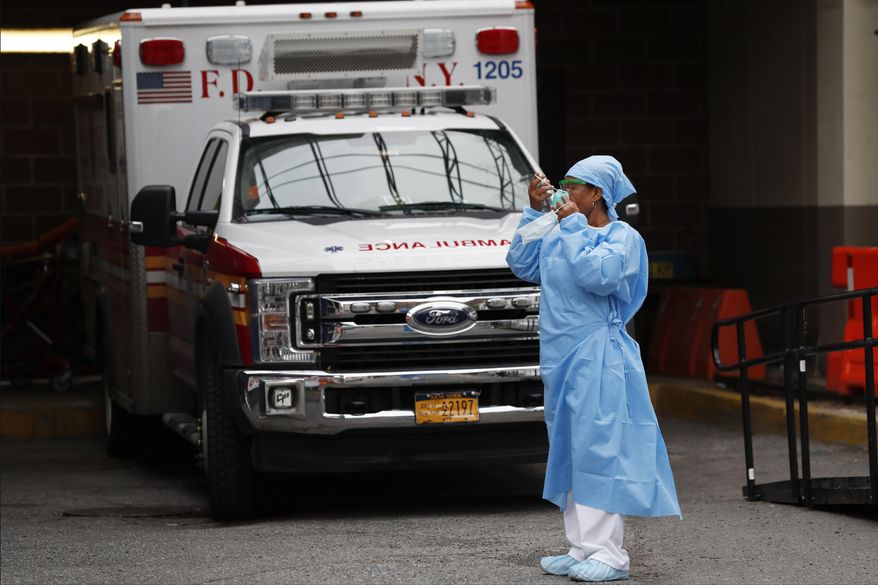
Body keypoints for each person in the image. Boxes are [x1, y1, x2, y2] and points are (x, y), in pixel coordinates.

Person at [506, 155, 681, 582]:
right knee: (568, 446)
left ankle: (610, 554)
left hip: (598, 352)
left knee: (599, 447)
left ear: (597, 193)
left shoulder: (622, 238)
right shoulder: (559, 229)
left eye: (573, 184)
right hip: (559, 355)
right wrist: (534, 210)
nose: (563, 190)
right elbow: (522, 264)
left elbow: (598, 277)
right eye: (561, 182)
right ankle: (582, 547)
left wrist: (571, 228)